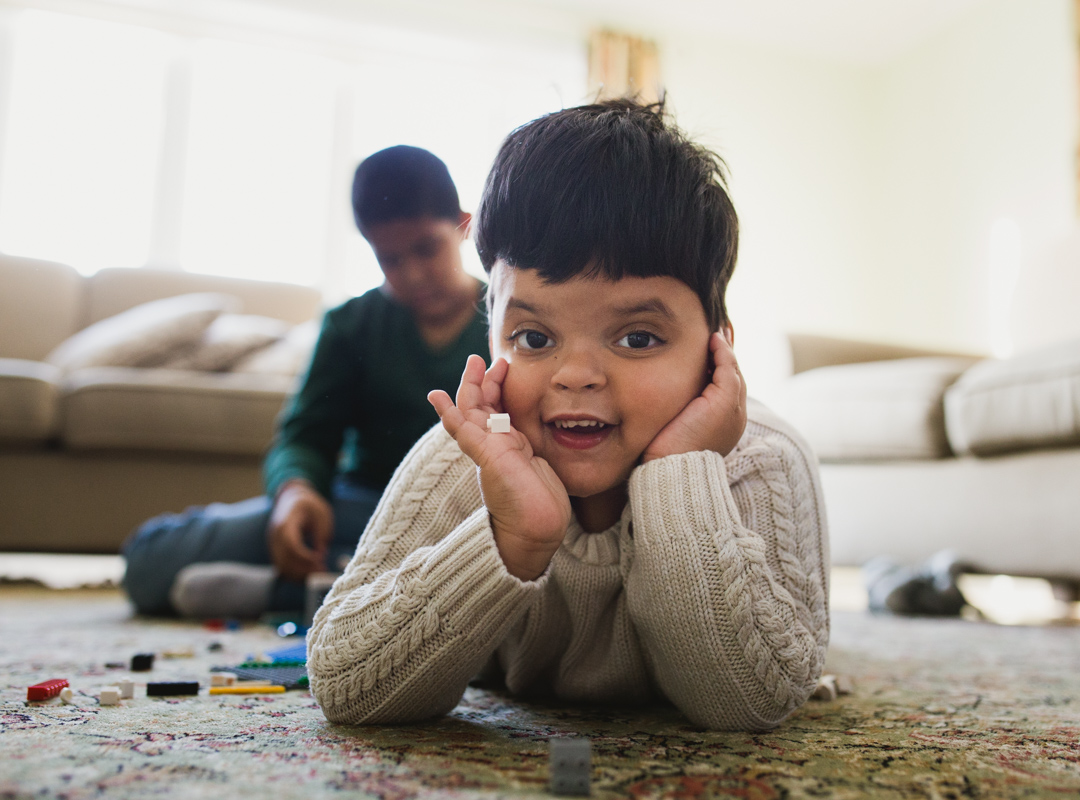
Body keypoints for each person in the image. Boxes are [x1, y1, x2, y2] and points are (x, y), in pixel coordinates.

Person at [306, 100, 830, 732]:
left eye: (638, 338)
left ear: (718, 347)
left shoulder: (764, 457)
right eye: (533, 338)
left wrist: (677, 471)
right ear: (492, 329)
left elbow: (749, 701)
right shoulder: (466, 454)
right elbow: (346, 686)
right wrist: (514, 538)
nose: (575, 375)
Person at [122, 146, 489, 618]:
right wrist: (295, 494)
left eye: (425, 249)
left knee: (509, 558)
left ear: (463, 225)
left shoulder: (508, 320)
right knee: (150, 561)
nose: (413, 274)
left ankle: (291, 596)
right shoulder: (349, 325)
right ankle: (349, 587)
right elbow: (305, 436)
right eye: (390, 259)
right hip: (361, 512)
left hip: (470, 519)